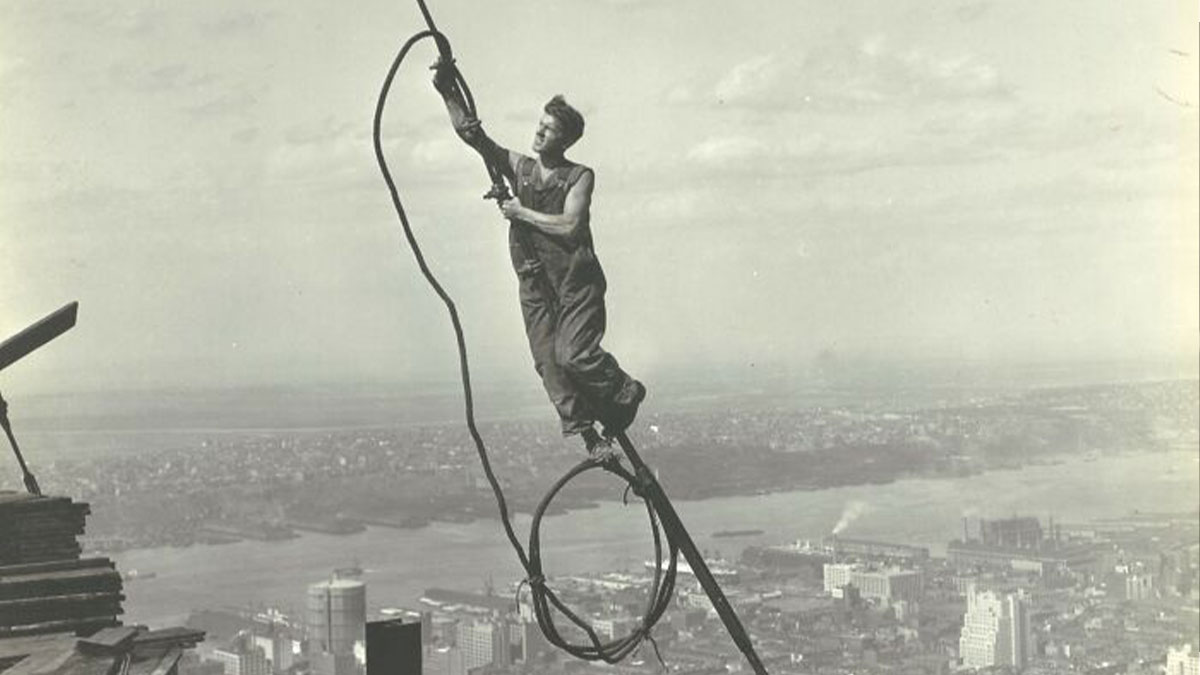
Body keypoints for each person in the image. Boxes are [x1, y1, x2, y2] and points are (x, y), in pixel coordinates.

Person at [432, 59, 645, 453]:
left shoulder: (579, 176)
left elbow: (571, 227)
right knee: (549, 363)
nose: (539, 131)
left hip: (574, 283)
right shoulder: (522, 169)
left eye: (549, 129)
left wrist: (520, 213)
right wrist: (446, 90)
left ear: (565, 140)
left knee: (573, 355)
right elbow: (475, 139)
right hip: (533, 279)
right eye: (540, 124)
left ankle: (623, 389)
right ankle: (589, 437)